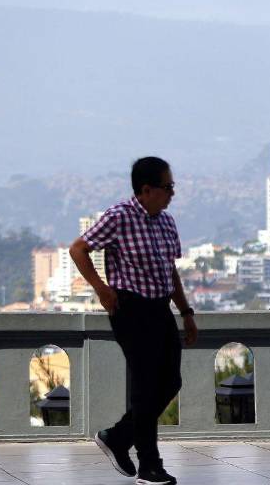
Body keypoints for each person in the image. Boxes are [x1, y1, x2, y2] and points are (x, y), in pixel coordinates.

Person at [70, 157, 198, 485]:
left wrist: (185, 313)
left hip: (160, 309)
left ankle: (117, 436)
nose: (172, 193)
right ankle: (149, 466)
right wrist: (101, 289)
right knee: (144, 386)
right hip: (130, 309)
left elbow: (170, 272)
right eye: (167, 187)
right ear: (146, 189)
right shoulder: (120, 217)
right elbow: (79, 249)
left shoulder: (167, 222)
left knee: (170, 381)